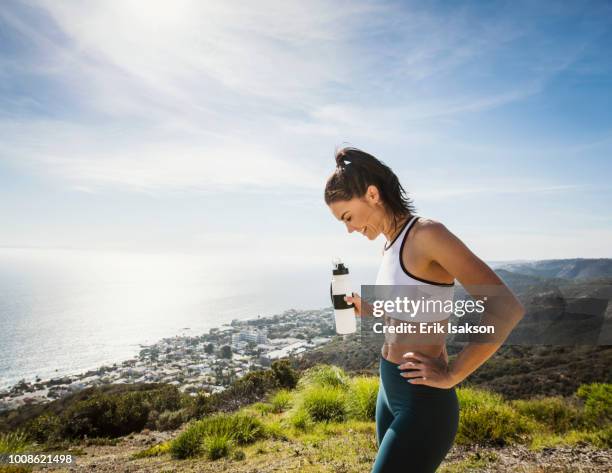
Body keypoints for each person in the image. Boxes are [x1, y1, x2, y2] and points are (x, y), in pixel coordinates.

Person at [324, 146, 525, 473]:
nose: (348, 229)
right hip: (389, 389)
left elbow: (506, 308)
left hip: (423, 402)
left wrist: (453, 374)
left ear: (372, 194)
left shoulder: (427, 234)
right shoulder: (390, 243)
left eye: (348, 217)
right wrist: (368, 309)